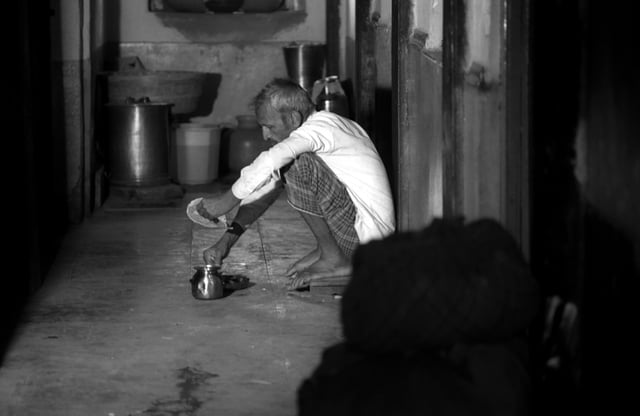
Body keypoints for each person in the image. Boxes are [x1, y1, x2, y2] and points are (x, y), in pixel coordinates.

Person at [196, 78, 395, 290]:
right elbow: (267, 190)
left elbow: (271, 160)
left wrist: (224, 203)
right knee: (289, 164)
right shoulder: (326, 127)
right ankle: (329, 251)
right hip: (365, 236)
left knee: (299, 164)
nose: (265, 135)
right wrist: (225, 242)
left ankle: (334, 258)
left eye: (269, 126)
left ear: (293, 118)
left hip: (367, 242)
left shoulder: (320, 130)